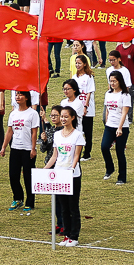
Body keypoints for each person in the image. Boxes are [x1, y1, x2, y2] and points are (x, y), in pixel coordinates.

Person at [45, 105, 86, 246]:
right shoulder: (57, 135)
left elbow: (76, 155)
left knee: (72, 206)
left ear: (72, 118)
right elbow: (55, 155)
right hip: (59, 174)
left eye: (65, 116)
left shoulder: (78, 135)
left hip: (72, 175)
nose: (63, 119)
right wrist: (45, 169)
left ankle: (74, 236)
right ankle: (66, 235)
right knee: (63, 207)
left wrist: (72, 168)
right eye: (61, 116)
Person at [0, 90, 39, 211]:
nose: (18, 97)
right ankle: (18, 198)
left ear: (27, 97)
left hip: (27, 149)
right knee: (13, 175)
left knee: (28, 176)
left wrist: (33, 148)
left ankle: (30, 201)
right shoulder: (13, 114)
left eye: (20, 95)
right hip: (15, 148)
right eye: (16, 95)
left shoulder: (32, 113)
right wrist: (4, 147)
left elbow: (34, 132)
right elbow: (9, 131)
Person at [101, 71, 132, 185]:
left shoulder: (125, 95)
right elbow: (107, 110)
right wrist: (107, 122)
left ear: (119, 81)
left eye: (114, 81)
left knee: (120, 152)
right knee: (104, 147)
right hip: (110, 125)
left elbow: (124, 113)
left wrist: (120, 128)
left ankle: (122, 177)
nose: (112, 83)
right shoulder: (108, 94)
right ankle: (110, 168)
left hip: (122, 127)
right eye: (111, 81)